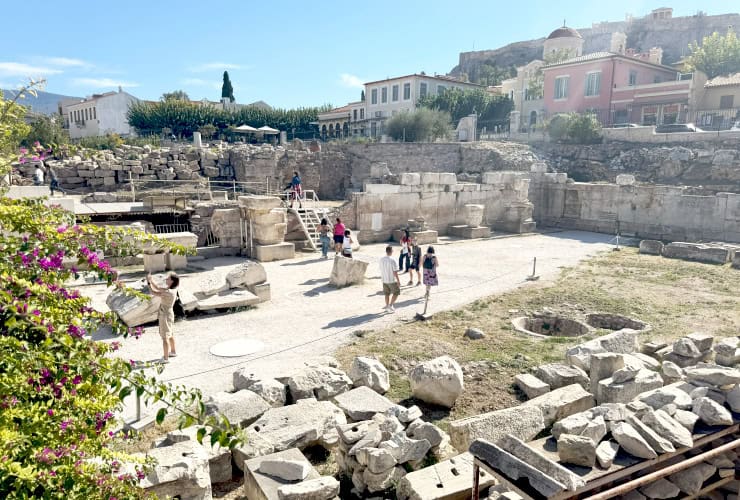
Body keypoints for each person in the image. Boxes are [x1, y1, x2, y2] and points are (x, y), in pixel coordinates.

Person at [146, 272, 180, 363]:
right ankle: (173, 352)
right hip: (169, 313)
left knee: (165, 337)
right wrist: (151, 280)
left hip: (164, 314)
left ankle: (165, 358)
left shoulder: (168, 292)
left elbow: (153, 291)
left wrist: (148, 283)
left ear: (172, 281)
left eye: (168, 279)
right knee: (170, 334)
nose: (166, 279)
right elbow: (157, 287)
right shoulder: (173, 289)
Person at [379, 246, 401, 313]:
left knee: (386, 294)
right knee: (396, 292)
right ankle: (390, 305)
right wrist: (398, 280)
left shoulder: (381, 259)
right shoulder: (392, 260)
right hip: (391, 280)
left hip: (384, 280)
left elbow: (380, 269)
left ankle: (387, 306)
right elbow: (395, 272)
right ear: (391, 251)